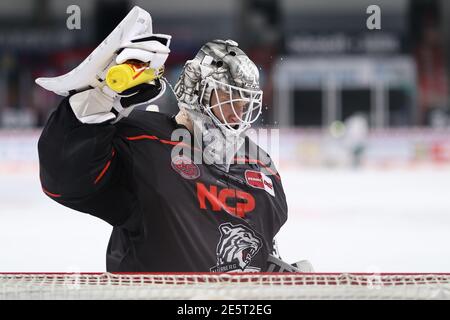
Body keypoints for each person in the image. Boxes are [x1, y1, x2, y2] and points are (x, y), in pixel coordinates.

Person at [37, 8, 291, 272]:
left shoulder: (261, 165)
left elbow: (261, 245)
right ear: (197, 92)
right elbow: (64, 180)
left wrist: (272, 270)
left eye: (244, 104)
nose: (237, 113)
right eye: (228, 99)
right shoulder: (143, 140)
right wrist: (97, 101)